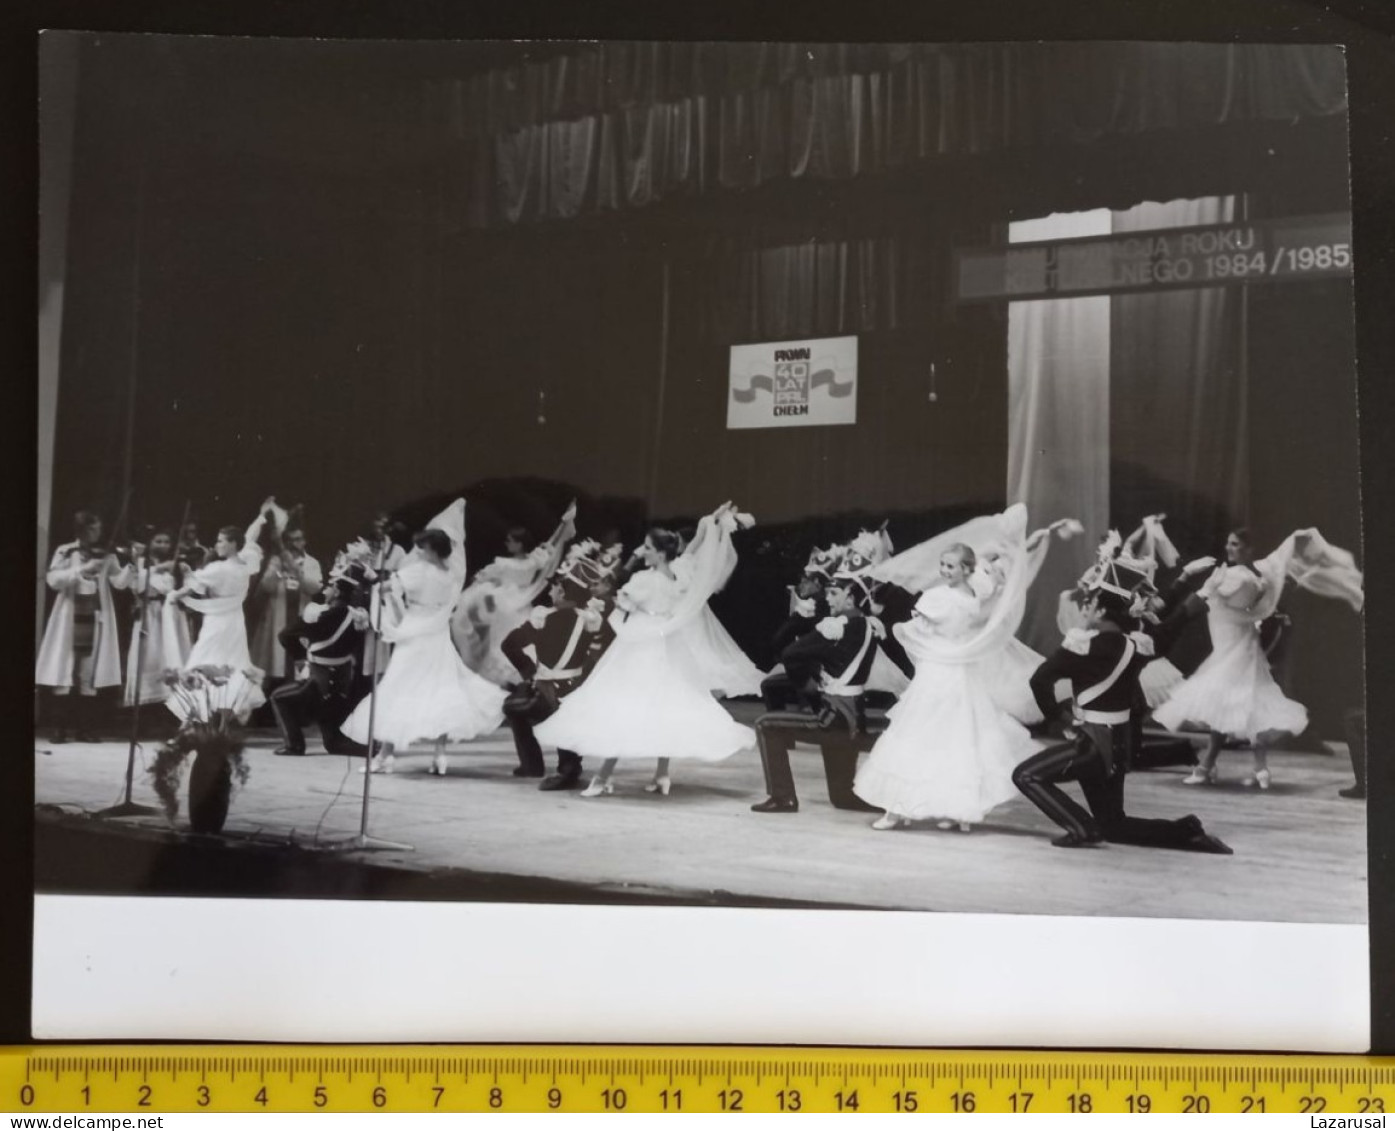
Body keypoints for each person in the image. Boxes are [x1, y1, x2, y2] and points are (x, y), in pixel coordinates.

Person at [855, 506, 1076, 831]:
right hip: (936, 671)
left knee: (955, 736)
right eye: (942, 565)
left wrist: (1033, 540)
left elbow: (1005, 566)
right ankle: (898, 808)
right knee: (919, 733)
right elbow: (997, 557)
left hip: (955, 674)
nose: (943, 570)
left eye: (950, 566)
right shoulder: (938, 597)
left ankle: (955, 809)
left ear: (965, 570)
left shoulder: (970, 598)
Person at [1012, 550, 1233, 853]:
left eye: (1087, 605)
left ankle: (1081, 829)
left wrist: (1062, 721)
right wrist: (1203, 592)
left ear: (1100, 611)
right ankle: (1186, 833)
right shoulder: (1136, 645)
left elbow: (1040, 680)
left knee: (1025, 775)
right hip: (1118, 747)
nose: (1083, 610)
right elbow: (1172, 625)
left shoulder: (1082, 645)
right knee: (1114, 825)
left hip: (1092, 745)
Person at [535, 503, 757, 797]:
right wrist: (709, 523)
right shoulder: (680, 576)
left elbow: (622, 606)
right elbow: (692, 551)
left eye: (648, 548)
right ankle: (662, 775)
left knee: (623, 706)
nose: (644, 551)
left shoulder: (643, 580)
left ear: (660, 552)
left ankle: (603, 778)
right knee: (662, 707)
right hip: (668, 646)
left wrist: (615, 596)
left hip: (641, 647)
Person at [1154, 526, 1363, 788]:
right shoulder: (1252, 575)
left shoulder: (1239, 578)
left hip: (1235, 650)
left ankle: (1214, 765)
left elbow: (1221, 598)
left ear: (1249, 549)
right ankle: (1249, 767)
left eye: (1235, 545)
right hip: (1233, 647)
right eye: (1228, 544)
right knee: (1232, 707)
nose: (1229, 548)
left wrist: (1205, 583)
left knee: (1234, 703)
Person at [342, 499, 507, 775]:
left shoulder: (418, 571)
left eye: (422, 547)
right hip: (437, 638)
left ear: (431, 549)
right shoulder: (451, 576)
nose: (417, 551)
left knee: (397, 690)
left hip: (414, 636)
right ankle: (440, 756)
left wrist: (375, 586)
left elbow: (386, 588)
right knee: (440, 692)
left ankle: (386, 755)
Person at [749, 577, 898, 814]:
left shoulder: (837, 627)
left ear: (849, 598)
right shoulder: (869, 625)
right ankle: (890, 798)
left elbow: (788, 651)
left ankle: (782, 797)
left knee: (766, 725)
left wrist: (809, 684)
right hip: (854, 718)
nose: (827, 599)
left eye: (833, 593)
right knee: (842, 797)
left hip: (834, 716)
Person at [499, 541, 619, 788]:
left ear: (563, 592)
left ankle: (538, 766)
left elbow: (508, 645)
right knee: (566, 709)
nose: (551, 590)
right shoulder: (591, 620)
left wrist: (530, 673)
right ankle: (569, 765)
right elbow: (608, 648)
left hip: (548, 694)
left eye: (555, 586)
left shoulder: (545, 617)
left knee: (514, 708)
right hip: (578, 692)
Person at [164, 503, 273, 721]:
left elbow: (194, 587)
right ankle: (221, 719)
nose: (217, 544)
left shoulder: (218, 569)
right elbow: (251, 538)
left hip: (217, 622)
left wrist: (175, 595)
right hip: (234, 621)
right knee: (231, 663)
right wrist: (260, 517)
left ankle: (196, 716)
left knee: (204, 659)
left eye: (221, 540)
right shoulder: (248, 563)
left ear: (233, 544)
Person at [451, 503, 577, 686]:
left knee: (499, 640)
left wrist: (482, 583)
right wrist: (562, 528)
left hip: (504, 604)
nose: (507, 543)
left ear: (519, 544)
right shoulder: (535, 561)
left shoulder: (504, 564)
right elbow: (553, 544)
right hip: (521, 604)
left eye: (510, 540)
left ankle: (506, 677)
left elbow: (482, 577)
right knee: (514, 640)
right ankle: (521, 676)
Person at [35, 510, 124, 742]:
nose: (99, 532)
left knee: (88, 673)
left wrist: (133, 566)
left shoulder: (107, 555)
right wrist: (82, 570)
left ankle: (86, 729)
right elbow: (53, 580)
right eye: (95, 528)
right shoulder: (66, 551)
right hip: (69, 616)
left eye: (100, 528)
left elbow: (120, 582)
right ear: (83, 530)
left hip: (95, 618)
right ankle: (59, 728)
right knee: (64, 671)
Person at [270, 568, 370, 757]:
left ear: (337, 592)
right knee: (334, 743)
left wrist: (301, 656)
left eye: (329, 587)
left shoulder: (321, 615)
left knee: (278, 697)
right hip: (343, 690)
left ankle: (294, 745)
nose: (324, 592)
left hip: (317, 684)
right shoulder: (358, 617)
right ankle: (371, 750)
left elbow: (285, 635)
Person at [110, 529, 191, 707]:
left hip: (170, 615)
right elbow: (130, 585)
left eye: (166, 542)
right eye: (158, 541)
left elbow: (185, 591)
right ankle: (147, 708)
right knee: (149, 657)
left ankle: (170, 706)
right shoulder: (140, 562)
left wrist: (185, 574)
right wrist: (157, 568)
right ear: (150, 543)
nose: (163, 545)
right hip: (150, 614)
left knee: (170, 657)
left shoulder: (176, 564)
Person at [248, 503, 324, 685]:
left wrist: (293, 567)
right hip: (278, 619)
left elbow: (313, 588)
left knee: (300, 672)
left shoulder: (311, 562)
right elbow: (266, 586)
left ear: (304, 541)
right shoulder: (276, 560)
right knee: (275, 669)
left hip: (300, 618)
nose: (295, 544)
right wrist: (278, 564)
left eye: (298, 540)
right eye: (290, 540)